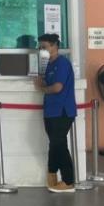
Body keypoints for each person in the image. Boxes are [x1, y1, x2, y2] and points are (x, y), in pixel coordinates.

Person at [36, 33, 76, 193]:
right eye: (40, 48)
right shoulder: (48, 65)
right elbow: (47, 82)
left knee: (58, 144)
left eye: (44, 47)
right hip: (50, 110)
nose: (42, 50)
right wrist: (40, 80)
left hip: (63, 111)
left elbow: (57, 87)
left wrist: (42, 88)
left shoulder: (63, 63)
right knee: (55, 144)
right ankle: (52, 175)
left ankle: (68, 181)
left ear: (54, 46)